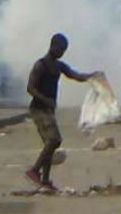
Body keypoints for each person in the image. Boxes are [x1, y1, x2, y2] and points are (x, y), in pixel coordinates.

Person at [25, 33, 97, 192]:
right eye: (61, 49)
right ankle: (34, 171)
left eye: (64, 50)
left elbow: (75, 75)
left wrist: (92, 76)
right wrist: (45, 100)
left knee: (50, 144)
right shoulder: (41, 65)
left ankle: (45, 180)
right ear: (53, 46)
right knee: (54, 140)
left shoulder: (59, 66)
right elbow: (30, 88)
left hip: (48, 109)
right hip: (38, 109)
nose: (62, 52)